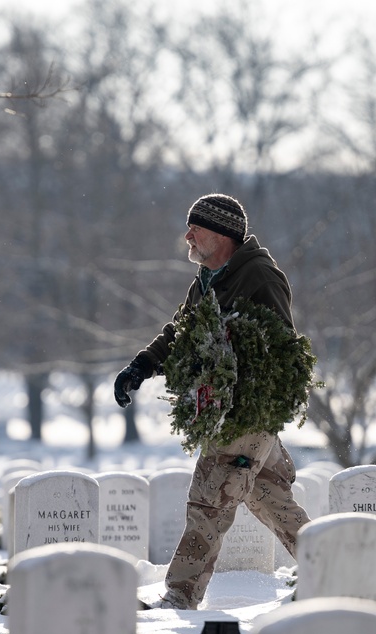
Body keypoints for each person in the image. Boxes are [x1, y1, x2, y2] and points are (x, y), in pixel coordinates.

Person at [113, 193, 311, 610]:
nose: (186, 236)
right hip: (225, 412)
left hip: (246, 415)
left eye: (195, 228)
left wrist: (249, 403)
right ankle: (341, 568)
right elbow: (182, 331)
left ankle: (180, 596)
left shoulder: (259, 277)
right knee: (272, 501)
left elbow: (280, 351)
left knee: (208, 499)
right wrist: (142, 365)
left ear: (220, 234)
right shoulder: (208, 278)